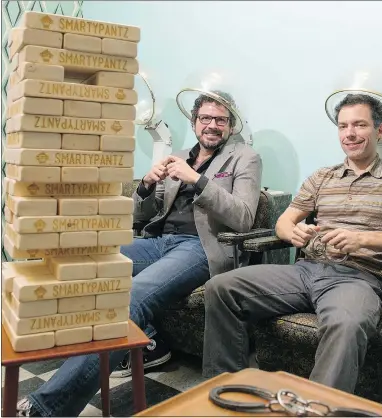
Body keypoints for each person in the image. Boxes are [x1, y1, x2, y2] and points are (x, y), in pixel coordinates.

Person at [18, 91, 262, 417]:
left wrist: (199, 180)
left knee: (133, 297)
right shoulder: (178, 155)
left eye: (221, 119)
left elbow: (243, 216)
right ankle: (150, 343)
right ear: (194, 122)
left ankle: (48, 407)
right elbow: (140, 215)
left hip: (200, 247)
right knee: (88, 262)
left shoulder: (244, 157)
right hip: (159, 240)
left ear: (230, 125)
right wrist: (147, 183)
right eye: (206, 118)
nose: (213, 125)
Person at [202, 93, 382, 394]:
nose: (349, 133)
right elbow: (284, 221)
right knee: (220, 288)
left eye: (359, 125)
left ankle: (317, 410)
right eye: (343, 126)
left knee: (347, 324)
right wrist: (292, 232)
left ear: (379, 130)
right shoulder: (323, 176)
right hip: (304, 271)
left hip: (357, 279)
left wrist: (361, 238)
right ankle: (226, 391)